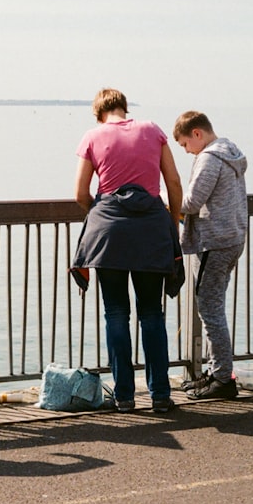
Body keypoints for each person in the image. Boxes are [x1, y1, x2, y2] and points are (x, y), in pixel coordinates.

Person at [71, 88, 183, 414]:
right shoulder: (152, 130)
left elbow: (80, 193)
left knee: (116, 314)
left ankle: (123, 397)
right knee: (151, 314)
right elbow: (174, 184)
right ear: (124, 107)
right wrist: (171, 224)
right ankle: (160, 395)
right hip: (150, 232)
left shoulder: (92, 136)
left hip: (110, 238)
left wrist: (105, 213)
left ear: (99, 112)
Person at [173, 111, 248, 400]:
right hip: (232, 238)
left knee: (210, 309)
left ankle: (222, 379)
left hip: (214, 242)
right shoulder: (231, 152)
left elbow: (191, 202)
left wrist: (162, 199)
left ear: (197, 134)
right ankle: (217, 371)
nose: (186, 151)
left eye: (183, 145)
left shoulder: (209, 158)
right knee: (213, 305)